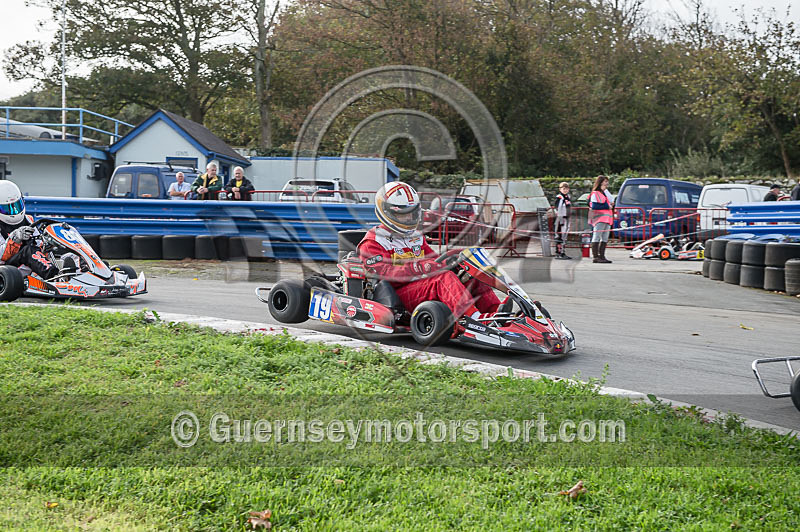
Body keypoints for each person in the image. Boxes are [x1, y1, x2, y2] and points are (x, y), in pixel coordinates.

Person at [357, 182, 508, 321]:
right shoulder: (373, 242)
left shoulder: (416, 237)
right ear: (387, 211)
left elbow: (434, 260)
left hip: (421, 286)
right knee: (443, 278)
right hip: (397, 295)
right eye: (402, 214)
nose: (408, 218)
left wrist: (455, 263)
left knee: (470, 275)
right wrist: (418, 268)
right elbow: (383, 274)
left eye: (411, 212)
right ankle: (473, 319)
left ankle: (496, 314)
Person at [0, 181, 62, 279]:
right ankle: (54, 277)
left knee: (64, 252)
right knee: (28, 251)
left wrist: (46, 244)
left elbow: (38, 244)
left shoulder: (28, 220)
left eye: (16, 206)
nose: (14, 212)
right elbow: (1, 255)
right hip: (4, 270)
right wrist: (15, 238)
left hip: (23, 267)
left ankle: (79, 274)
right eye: (7, 209)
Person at [588, 175, 613, 264]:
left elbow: (611, 199)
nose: (607, 183)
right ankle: (596, 257)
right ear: (601, 182)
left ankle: (602, 256)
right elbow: (595, 206)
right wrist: (607, 206)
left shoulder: (604, 192)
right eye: (605, 181)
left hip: (607, 218)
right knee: (597, 236)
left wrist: (605, 190)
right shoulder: (595, 193)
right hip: (599, 218)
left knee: (605, 238)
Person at [553, 181, 572, 259]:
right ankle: (558, 253)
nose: (565, 190)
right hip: (561, 219)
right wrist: (560, 219)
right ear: (560, 189)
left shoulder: (567, 197)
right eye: (563, 188)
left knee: (564, 236)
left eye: (566, 188)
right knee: (559, 236)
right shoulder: (559, 197)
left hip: (566, 219)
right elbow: (557, 208)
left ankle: (563, 252)